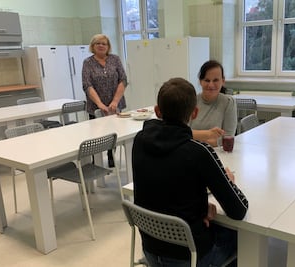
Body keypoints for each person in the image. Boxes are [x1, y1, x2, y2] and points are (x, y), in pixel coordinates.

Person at [132, 77, 249, 267]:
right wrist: (229, 181)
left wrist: (200, 208)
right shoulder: (199, 152)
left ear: (157, 111)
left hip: (150, 249)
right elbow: (238, 210)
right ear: (194, 113)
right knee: (241, 236)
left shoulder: (139, 141)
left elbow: (164, 186)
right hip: (190, 257)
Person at [82, 33, 127, 167]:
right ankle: (96, 162)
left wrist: (114, 101)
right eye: (98, 43)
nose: (101, 46)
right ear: (93, 46)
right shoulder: (88, 63)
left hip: (115, 104)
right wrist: (100, 104)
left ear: (108, 46)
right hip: (95, 105)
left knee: (113, 133)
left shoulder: (115, 59)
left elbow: (123, 80)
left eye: (104, 43)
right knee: (97, 135)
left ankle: (111, 157)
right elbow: (87, 85)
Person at [190, 60, 238, 146]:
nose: (211, 85)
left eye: (215, 80)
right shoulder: (191, 101)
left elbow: (227, 139)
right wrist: (209, 136)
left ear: (222, 81)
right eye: (207, 80)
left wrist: (195, 137)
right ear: (200, 81)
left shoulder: (228, 103)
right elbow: (183, 133)